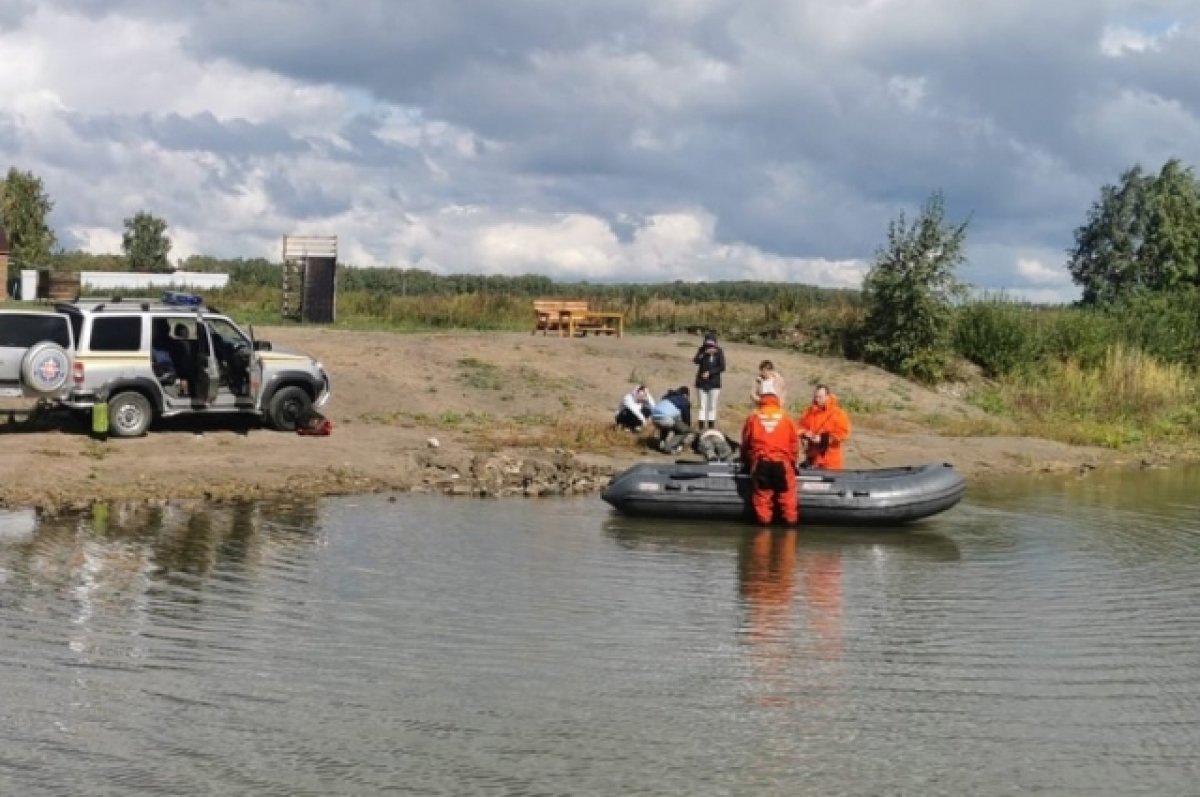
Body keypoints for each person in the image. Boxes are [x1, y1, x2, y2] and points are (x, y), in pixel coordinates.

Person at [740, 383, 800, 525]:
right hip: (782, 462)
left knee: (762, 498)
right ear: (776, 397)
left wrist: (746, 462)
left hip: (761, 462)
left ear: (761, 397)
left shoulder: (753, 417)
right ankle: (790, 530)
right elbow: (794, 444)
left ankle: (763, 531)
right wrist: (793, 462)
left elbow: (746, 442)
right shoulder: (786, 418)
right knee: (787, 497)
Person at [798, 384, 851, 470]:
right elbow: (799, 427)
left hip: (830, 461)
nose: (817, 400)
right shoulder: (809, 412)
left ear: (827, 397)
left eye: (820, 397)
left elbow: (843, 433)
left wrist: (823, 439)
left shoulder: (838, 413)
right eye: (816, 397)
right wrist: (805, 434)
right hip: (813, 459)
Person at [692, 330, 725, 430]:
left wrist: (710, 372)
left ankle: (711, 427)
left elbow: (722, 367)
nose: (710, 347)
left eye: (711, 345)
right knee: (702, 406)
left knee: (712, 406)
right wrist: (704, 353)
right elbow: (695, 360)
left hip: (714, 383)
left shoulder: (719, 351)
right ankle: (701, 428)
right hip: (701, 383)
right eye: (707, 344)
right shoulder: (702, 350)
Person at [650, 386, 692, 454]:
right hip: (665, 418)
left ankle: (661, 444)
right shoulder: (684, 400)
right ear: (686, 395)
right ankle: (669, 447)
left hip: (654, 418)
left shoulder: (668, 396)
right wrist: (688, 428)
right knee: (684, 430)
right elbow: (686, 419)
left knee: (667, 425)